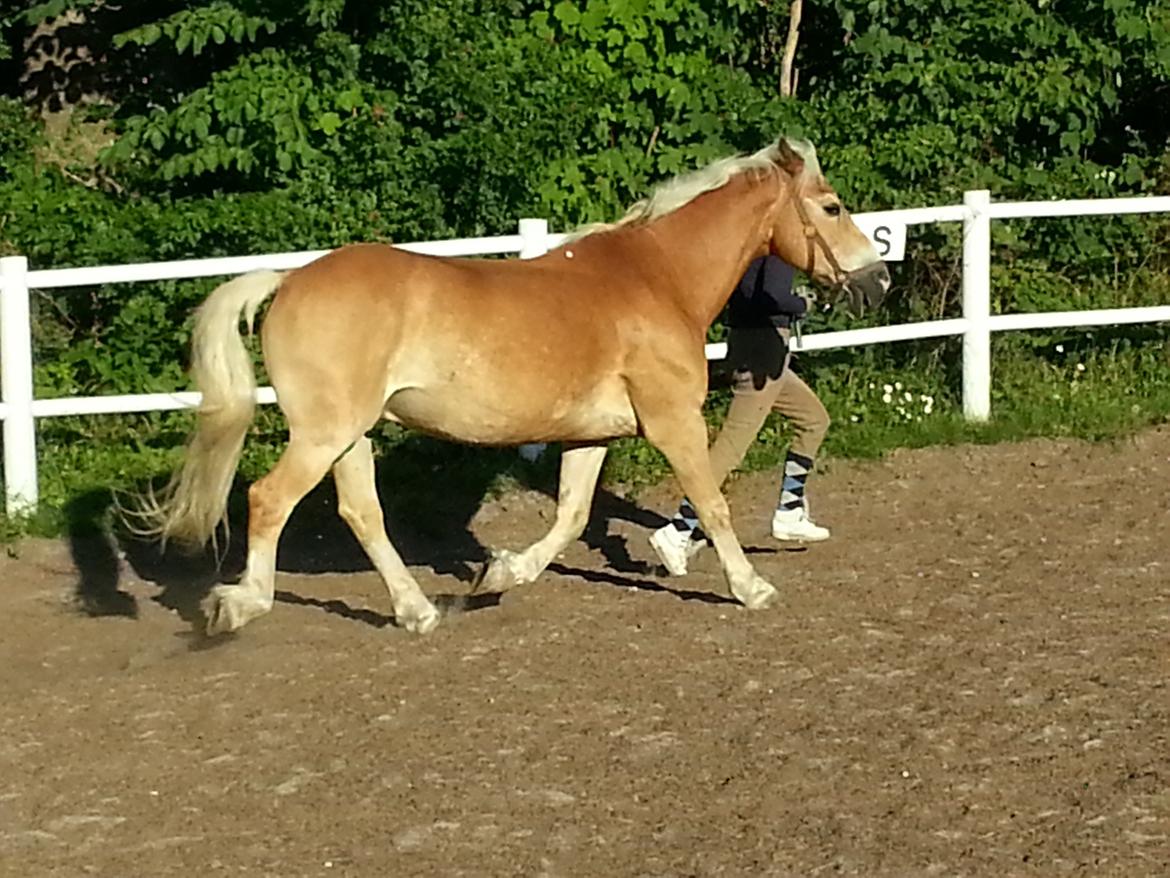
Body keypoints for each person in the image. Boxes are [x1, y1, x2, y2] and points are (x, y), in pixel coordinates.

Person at [649, 254, 831, 576]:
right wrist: (800, 304)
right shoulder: (776, 251)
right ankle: (678, 530)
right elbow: (772, 295)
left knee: (813, 419)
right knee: (731, 446)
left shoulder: (746, 249)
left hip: (749, 344)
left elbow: (744, 293)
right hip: (765, 351)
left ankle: (789, 511)